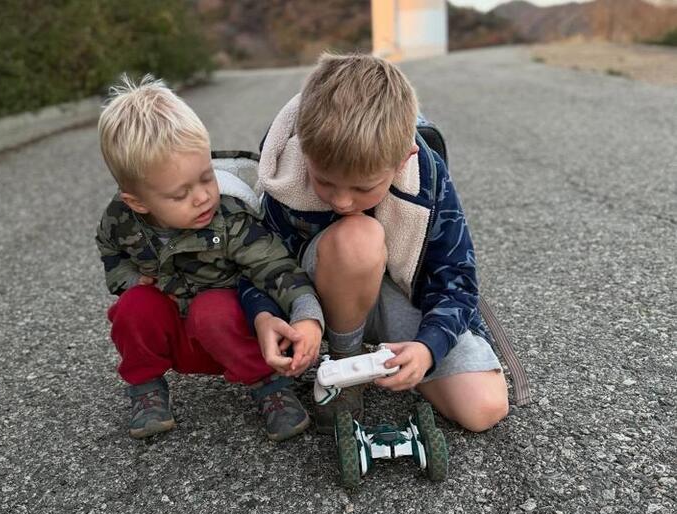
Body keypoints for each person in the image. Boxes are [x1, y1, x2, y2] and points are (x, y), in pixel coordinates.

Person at [247, 53, 509, 433]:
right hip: (315, 294)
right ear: (305, 150)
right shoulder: (287, 176)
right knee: (358, 235)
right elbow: (256, 263)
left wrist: (427, 349)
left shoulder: (429, 179)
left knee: (483, 407)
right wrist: (265, 315)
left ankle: (396, 362)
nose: (340, 201)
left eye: (362, 187)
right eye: (325, 182)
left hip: (396, 295)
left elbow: (456, 280)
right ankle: (344, 362)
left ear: (405, 158)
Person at [95, 75, 323, 441]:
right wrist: (128, 279)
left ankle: (269, 385)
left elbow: (275, 265)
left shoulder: (229, 217)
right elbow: (110, 249)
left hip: (229, 332)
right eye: (180, 194)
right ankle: (146, 388)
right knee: (133, 306)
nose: (202, 197)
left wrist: (305, 313)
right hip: (175, 328)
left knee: (213, 308)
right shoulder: (120, 220)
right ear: (137, 202)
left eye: (206, 178)